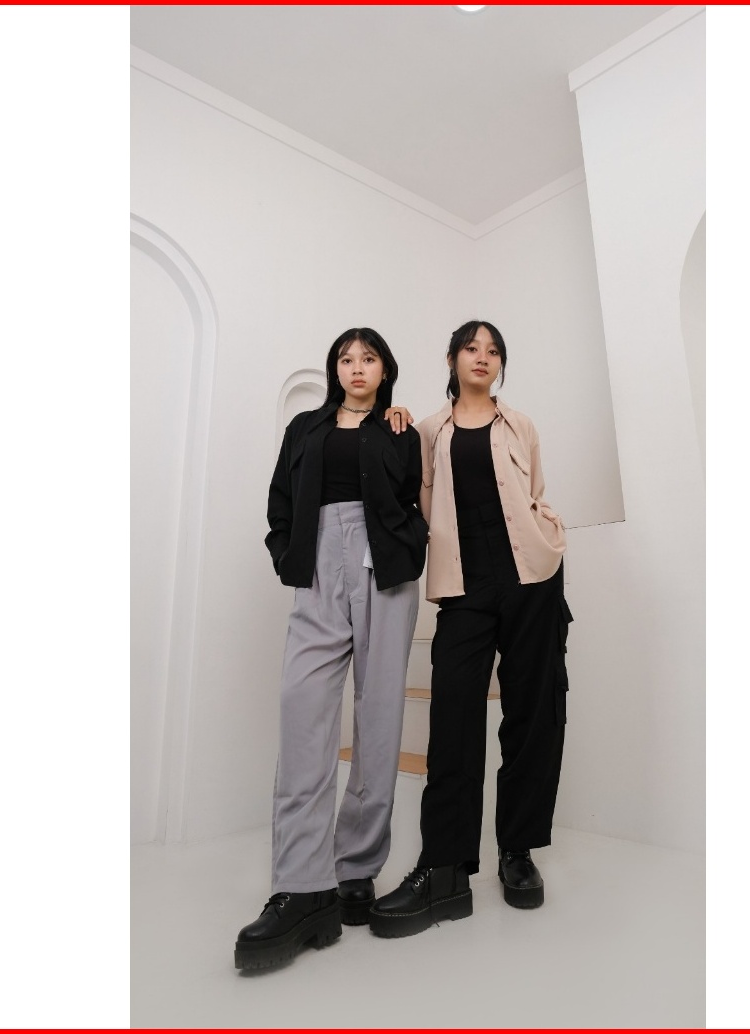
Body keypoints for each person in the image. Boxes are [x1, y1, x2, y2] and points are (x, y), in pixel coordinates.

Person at [369, 320, 573, 938]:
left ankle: (518, 851)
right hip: (464, 587)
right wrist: (389, 416)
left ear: (500, 364)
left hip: (532, 579)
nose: (482, 357)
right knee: (454, 718)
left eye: (493, 351)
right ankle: (445, 869)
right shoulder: (429, 430)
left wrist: (549, 534)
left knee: (533, 713)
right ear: (453, 359)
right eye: (471, 348)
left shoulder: (522, 425)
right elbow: (410, 493)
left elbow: (534, 490)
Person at [234, 328, 427, 970]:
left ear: (384, 370)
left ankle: (355, 869)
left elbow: (415, 500)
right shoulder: (305, 428)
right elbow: (280, 500)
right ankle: (301, 885)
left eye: (368, 359)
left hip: (385, 572)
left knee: (380, 717)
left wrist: (409, 546)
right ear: (333, 369)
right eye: (346, 359)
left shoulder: (400, 430)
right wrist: (287, 551)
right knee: (303, 713)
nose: (356, 368)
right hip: (319, 566)